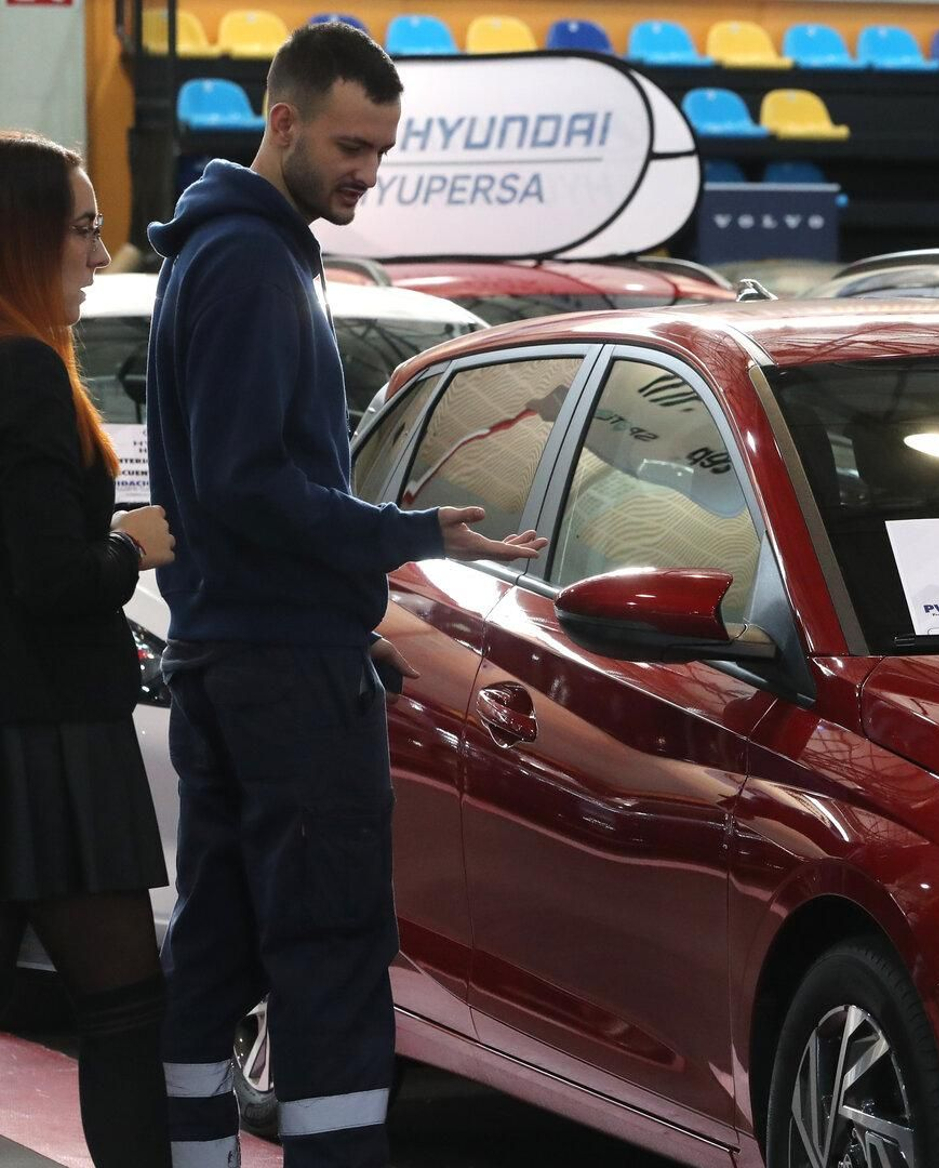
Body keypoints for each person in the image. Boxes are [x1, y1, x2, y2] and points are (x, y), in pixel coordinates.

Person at [143, 23, 545, 1168]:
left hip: (228, 653)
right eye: (351, 144)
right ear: (282, 121)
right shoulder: (252, 264)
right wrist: (406, 531)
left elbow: (230, 483)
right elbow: (249, 484)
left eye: (382, 149)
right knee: (324, 949)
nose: (367, 170)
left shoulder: (223, 254)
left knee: (218, 941)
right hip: (282, 663)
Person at [0, 130, 178, 1167]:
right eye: (83, 231)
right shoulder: (23, 370)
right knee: (123, 1014)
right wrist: (132, 544)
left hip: (39, 733)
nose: (100, 257)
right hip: (48, 742)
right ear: (25, 237)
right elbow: (51, 578)